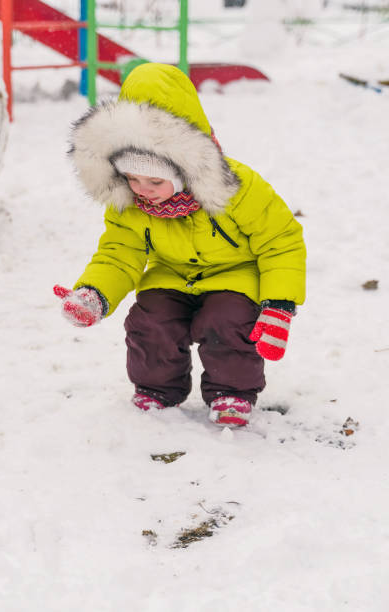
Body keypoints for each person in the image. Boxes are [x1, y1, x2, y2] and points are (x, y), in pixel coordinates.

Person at [54, 63, 306, 428]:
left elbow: (281, 241)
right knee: (150, 320)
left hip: (235, 276)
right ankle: (157, 389)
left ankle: (230, 391)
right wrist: (94, 292)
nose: (143, 189)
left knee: (227, 321)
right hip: (171, 274)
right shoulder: (130, 202)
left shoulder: (238, 186)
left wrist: (279, 304)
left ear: (184, 168)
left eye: (154, 179)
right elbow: (119, 252)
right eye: (132, 177)